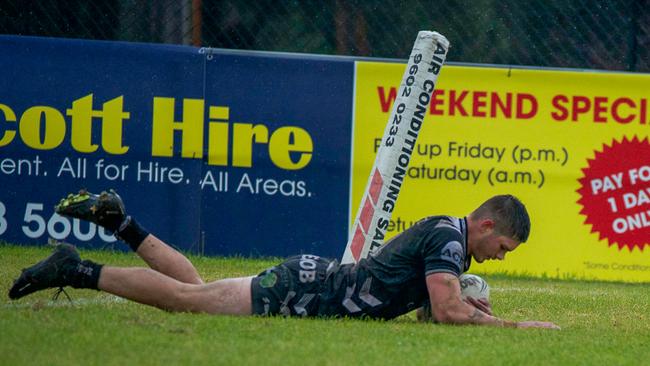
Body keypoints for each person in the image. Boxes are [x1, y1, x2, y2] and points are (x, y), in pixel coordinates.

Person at [8, 190, 559, 329]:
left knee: (197, 289)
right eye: (501, 248)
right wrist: (513, 325)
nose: (495, 259)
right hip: (307, 293)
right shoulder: (451, 242)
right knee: (187, 302)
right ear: (487, 226)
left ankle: (120, 224)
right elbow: (445, 311)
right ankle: (75, 268)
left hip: (310, 282)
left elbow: (441, 304)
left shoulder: (446, 236)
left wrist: (475, 311)